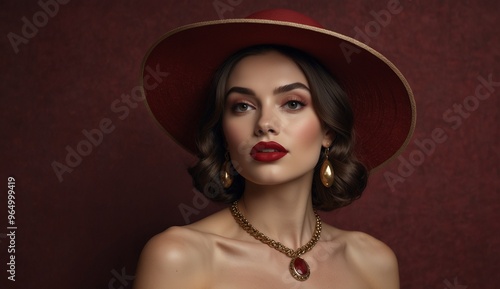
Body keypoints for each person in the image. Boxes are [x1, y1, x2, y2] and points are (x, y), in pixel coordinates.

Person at [133, 8, 415, 289]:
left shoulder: (372, 261)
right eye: (242, 106)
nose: (265, 124)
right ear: (223, 131)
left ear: (328, 130)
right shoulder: (177, 257)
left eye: (292, 103)